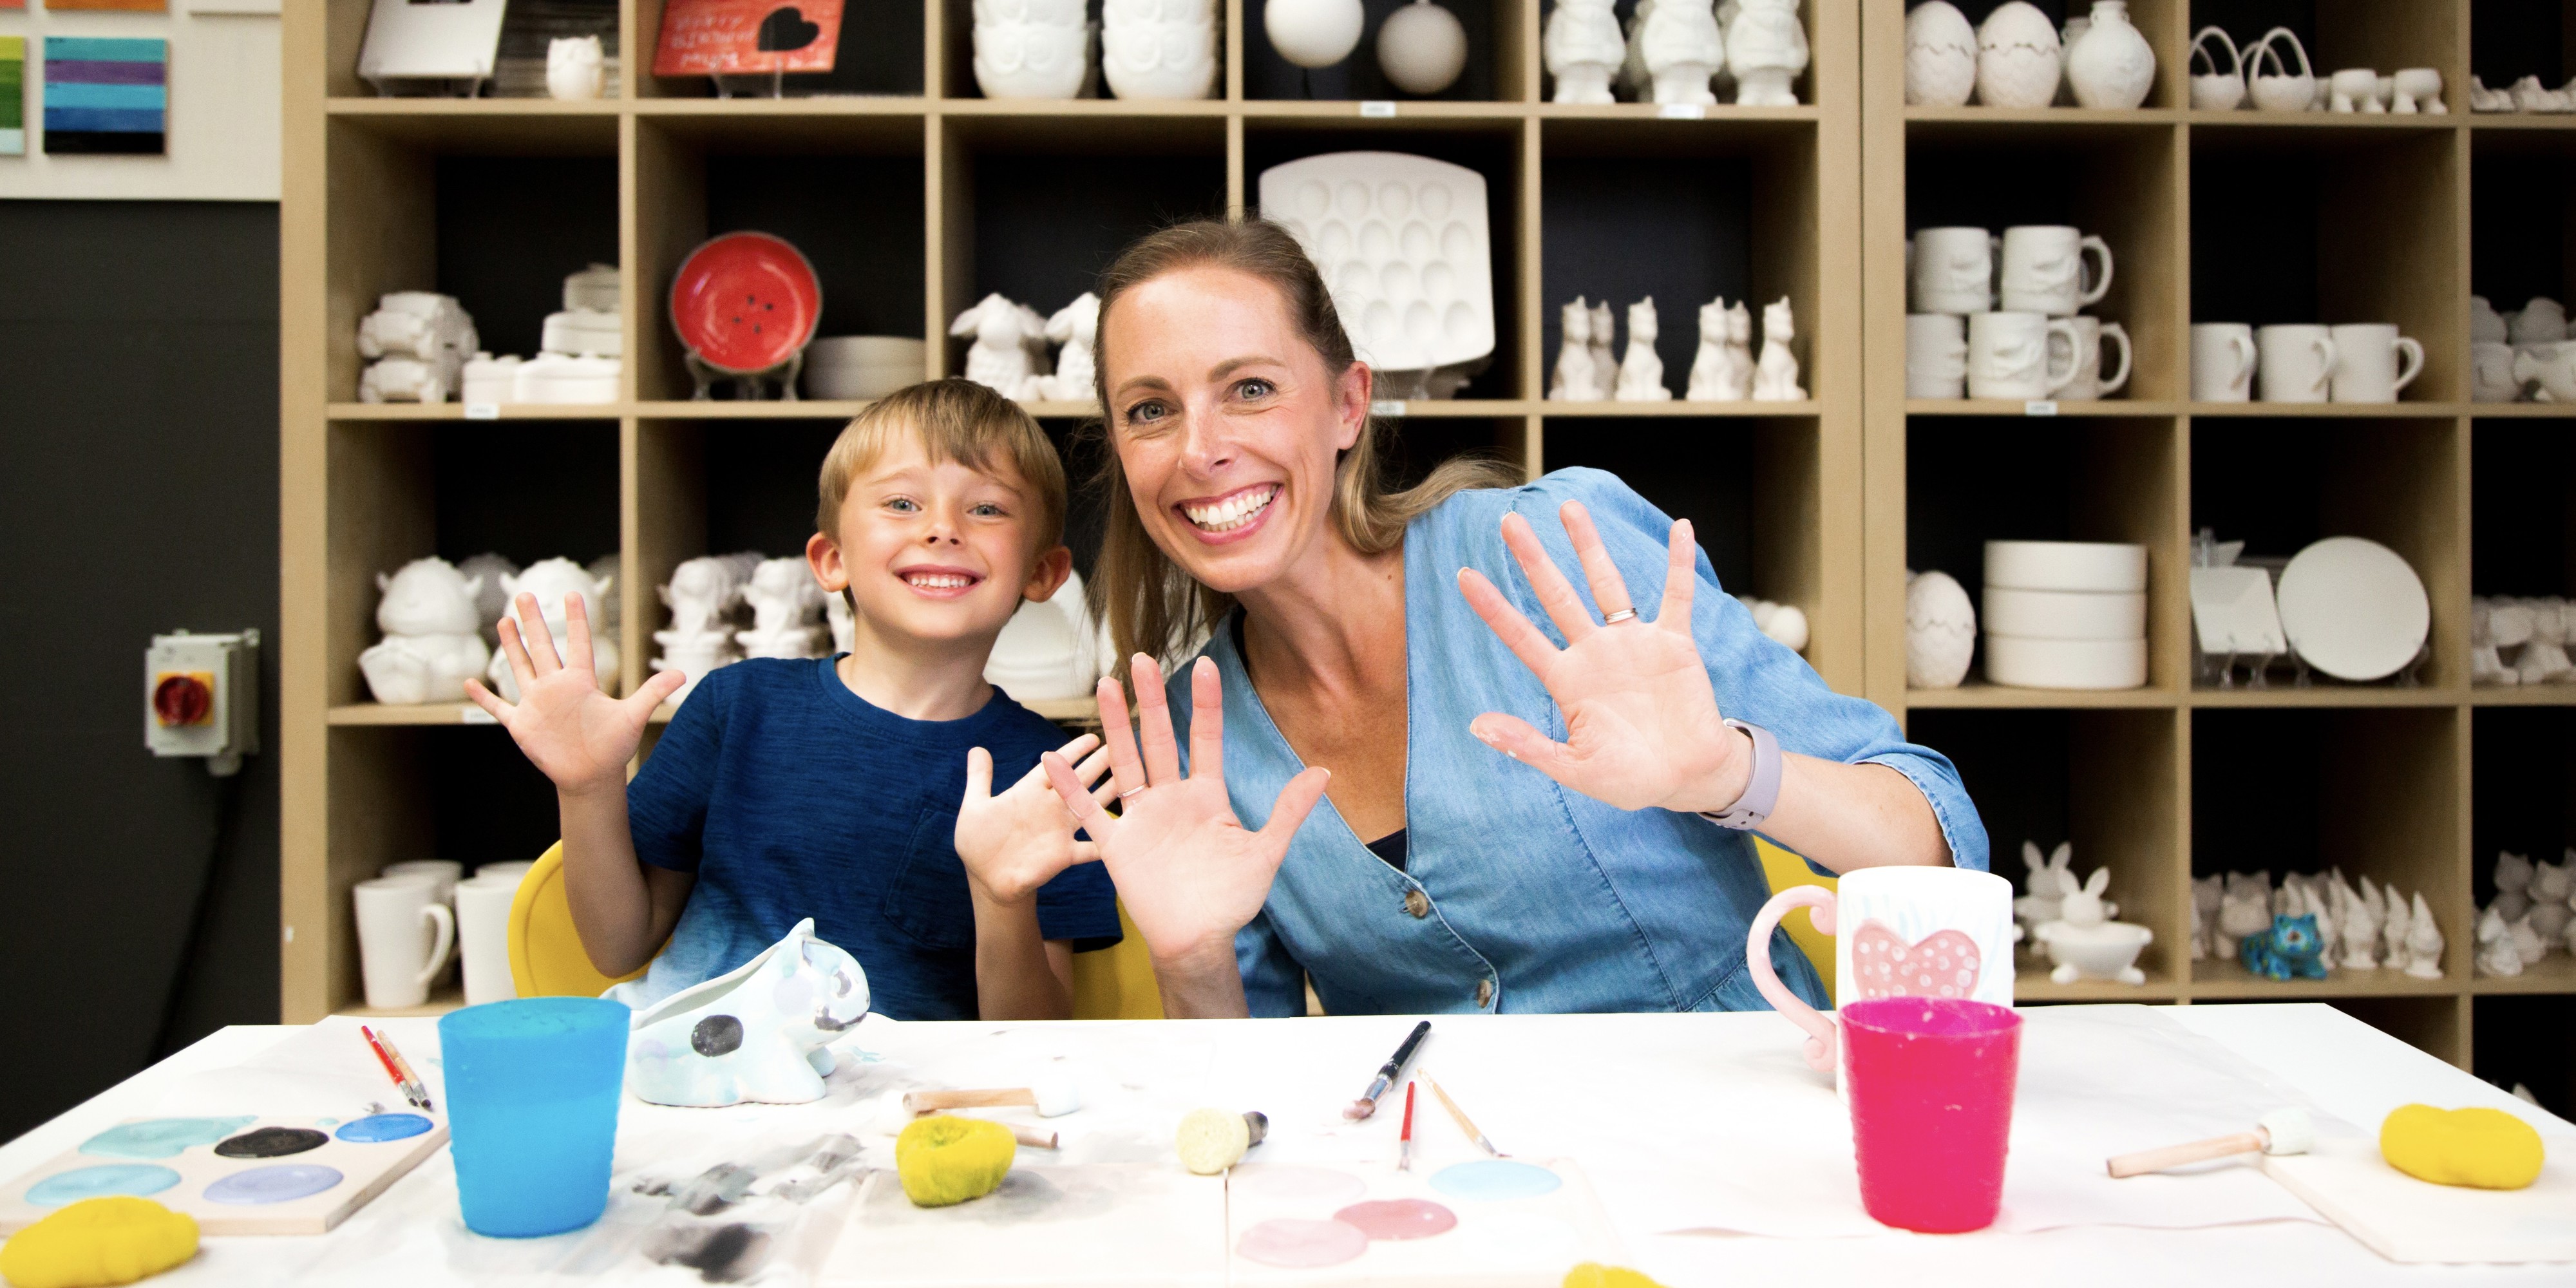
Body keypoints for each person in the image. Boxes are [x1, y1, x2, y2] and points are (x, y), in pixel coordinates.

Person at [1034, 220, 1987, 1018]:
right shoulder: (1200, 736)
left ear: (1347, 404)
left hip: (1737, 1161)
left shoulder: (1550, 550)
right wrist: (1191, 956)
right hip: (1456, 1200)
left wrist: (1725, 770)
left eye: (1250, 389)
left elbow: (1938, 839)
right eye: (1151, 410)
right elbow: (1252, 1114)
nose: (1201, 451)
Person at [466, 380, 1124, 1020]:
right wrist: (586, 788)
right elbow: (616, 946)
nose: (942, 529)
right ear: (831, 558)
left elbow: (1026, 1035)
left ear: (1042, 573)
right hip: (697, 1087)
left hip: (890, 1115)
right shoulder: (736, 706)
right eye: (901, 503)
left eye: (986, 508)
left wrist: (1000, 897)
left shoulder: (1051, 774)